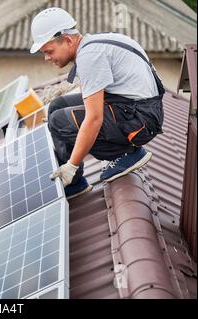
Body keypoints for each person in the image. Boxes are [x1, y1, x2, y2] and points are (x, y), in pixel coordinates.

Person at [29, 7, 164, 199]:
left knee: (59, 121)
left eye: (49, 51)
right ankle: (75, 185)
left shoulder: (90, 56)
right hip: (133, 108)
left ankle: (126, 154)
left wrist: (72, 163)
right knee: (57, 106)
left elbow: (94, 118)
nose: (47, 58)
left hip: (141, 119)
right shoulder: (92, 45)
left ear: (67, 40)